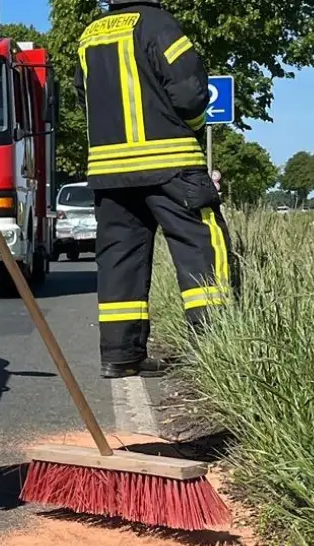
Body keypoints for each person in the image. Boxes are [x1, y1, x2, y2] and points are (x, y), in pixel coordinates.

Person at [73, 0, 236, 379]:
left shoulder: (88, 36)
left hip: (109, 171)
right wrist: (192, 126)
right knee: (202, 246)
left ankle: (120, 355)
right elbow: (191, 93)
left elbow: (86, 99)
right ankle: (217, 350)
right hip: (170, 161)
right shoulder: (160, 25)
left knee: (119, 260)